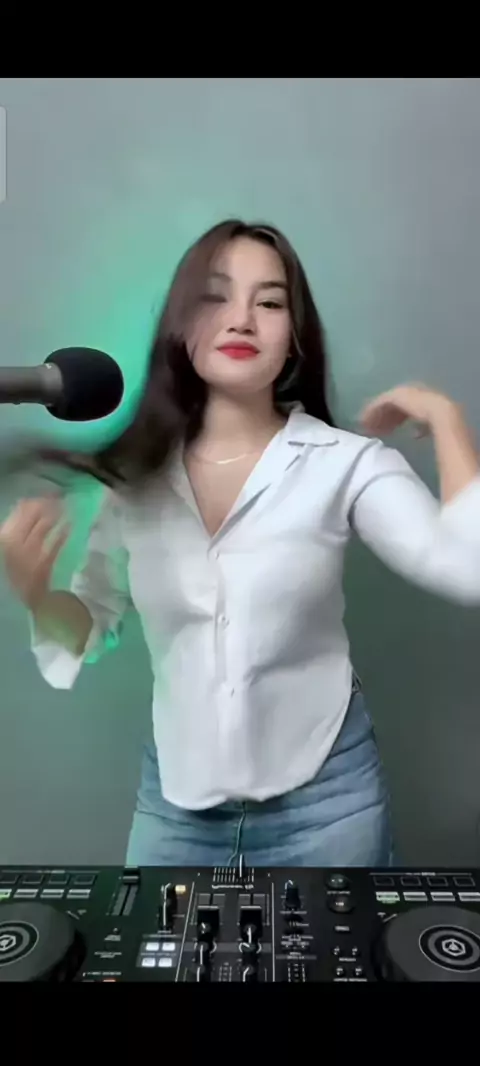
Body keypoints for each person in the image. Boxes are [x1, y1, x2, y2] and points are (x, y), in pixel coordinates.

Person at [1, 219, 480, 871]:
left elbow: (466, 567)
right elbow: (90, 627)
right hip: (176, 805)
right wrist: (38, 595)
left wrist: (447, 420)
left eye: (270, 302)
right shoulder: (135, 480)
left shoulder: (347, 464)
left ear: (295, 338)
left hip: (328, 806)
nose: (242, 319)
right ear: (181, 325)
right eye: (216, 296)